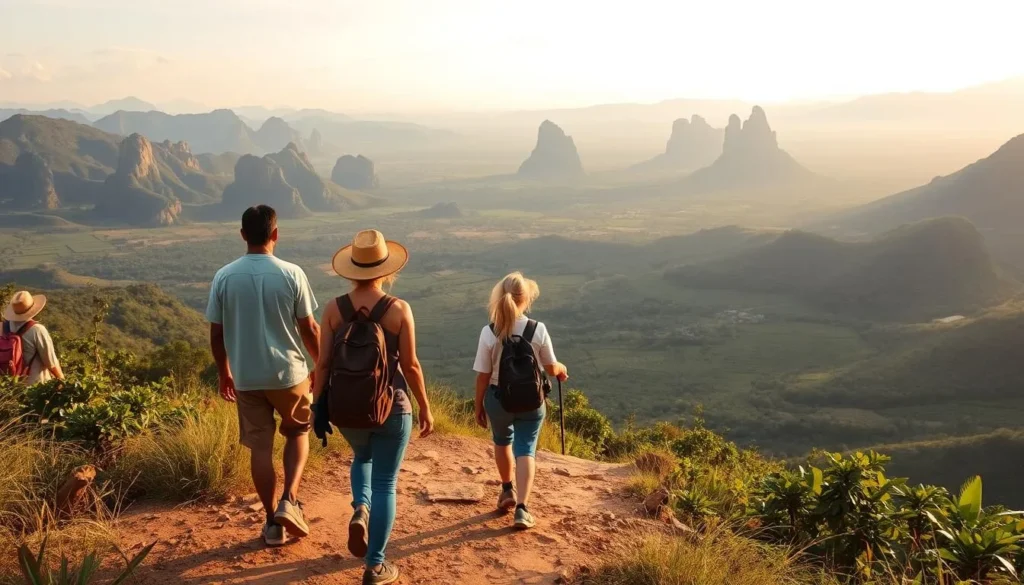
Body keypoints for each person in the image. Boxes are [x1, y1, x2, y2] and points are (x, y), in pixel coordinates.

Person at [312, 229, 434, 585]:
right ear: (386, 269)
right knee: (386, 482)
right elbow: (410, 365)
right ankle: (375, 565)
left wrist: (318, 405)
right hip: (392, 409)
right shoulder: (398, 310)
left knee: (361, 458)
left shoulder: (334, 309)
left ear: (351, 269)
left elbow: (322, 364)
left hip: (347, 409)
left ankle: (359, 510)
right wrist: (425, 406)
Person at [206, 205, 321, 547]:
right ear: (276, 234)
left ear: (243, 235)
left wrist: (224, 372)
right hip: (290, 374)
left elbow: (216, 332)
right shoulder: (291, 273)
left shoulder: (224, 276)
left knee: (260, 447)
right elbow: (309, 327)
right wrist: (320, 365)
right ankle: (290, 498)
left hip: (246, 377)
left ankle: (272, 522)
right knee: (298, 432)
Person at [473, 272, 568, 530]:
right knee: (526, 449)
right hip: (531, 401)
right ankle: (522, 508)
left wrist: (478, 406)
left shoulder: (489, 331)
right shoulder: (538, 329)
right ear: (526, 299)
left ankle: (507, 490)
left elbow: (482, 375)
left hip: (498, 398)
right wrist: (560, 368)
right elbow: (550, 367)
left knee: (502, 441)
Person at [1, 290, 64, 384]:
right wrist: (62, 381)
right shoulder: (37, 330)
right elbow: (51, 363)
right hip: (35, 388)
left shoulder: (1, 327)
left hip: (9, 386)